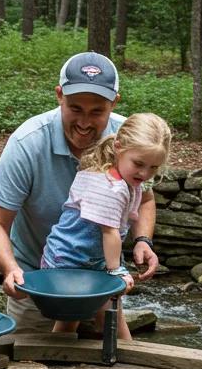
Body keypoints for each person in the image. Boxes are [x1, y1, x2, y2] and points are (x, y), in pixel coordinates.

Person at [0, 52, 161, 369]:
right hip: (37, 277)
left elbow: (144, 200)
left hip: (96, 276)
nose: (85, 120)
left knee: (109, 363)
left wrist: (143, 240)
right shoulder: (28, 142)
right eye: (75, 107)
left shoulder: (129, 138)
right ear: (59, 96)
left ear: (113, 104)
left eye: (97, 110)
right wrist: (11, 271)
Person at [41, 113, 172, 340]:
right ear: (119, 148)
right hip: (70, 261)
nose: (145, 173)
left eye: (154, 167)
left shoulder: (122, 176)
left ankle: (123, 359)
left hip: (91, 257)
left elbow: (133, 213)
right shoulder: (110, 187)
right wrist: (116, 271)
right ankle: (58, 361)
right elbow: (109, 231)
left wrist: (142, 242)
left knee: (109, 313)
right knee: (74, 316)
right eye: (139, 164)